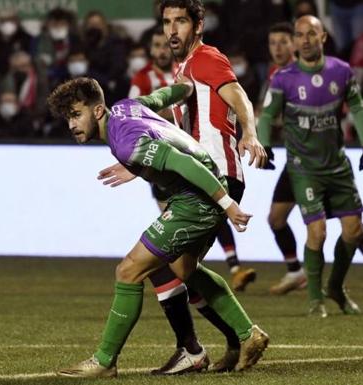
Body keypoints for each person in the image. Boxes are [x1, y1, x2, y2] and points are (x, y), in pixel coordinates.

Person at [48, 77, 269, 378]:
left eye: (76, 114)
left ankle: (104, 361)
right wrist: (186, 89)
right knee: (184, 269)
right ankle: (247, 334)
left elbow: (181, 163)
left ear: (98, 111)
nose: (71, 124)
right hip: (194, 192)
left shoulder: (125, 142)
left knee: (128, 270)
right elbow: (163, 96)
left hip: (198, 197)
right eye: (68, 118)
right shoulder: (127, 107)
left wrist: (227, 204)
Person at [96, 0, 268, 373]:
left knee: (139, 267)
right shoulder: (184, 69)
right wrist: (136, 165)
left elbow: (239, 96)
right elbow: (175, 138)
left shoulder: (206, 58)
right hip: (202, 176)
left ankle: (196, 348)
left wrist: (250, 134)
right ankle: (242, 337)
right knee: (183, 268)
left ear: (199, 24)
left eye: (180, 22)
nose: (172, 30)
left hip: (215, 175)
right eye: (167, 22)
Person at [258, 15, 363, 317]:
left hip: (338, 165)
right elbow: (267, 115)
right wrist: (264, 145)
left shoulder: (341, 72)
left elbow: (356, 106)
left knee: (354, 232)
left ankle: (336, 288)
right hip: (304, 168)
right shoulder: (283, 77)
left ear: (323, 38)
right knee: (316, 233)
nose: (304, 40)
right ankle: (315, 299)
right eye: (299, 35)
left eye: (310, 34)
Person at [258, 22, 308, 295]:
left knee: (348, 226)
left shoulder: (307, 71)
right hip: (294, 159)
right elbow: (268, 113)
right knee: (276, 219)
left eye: (282, 42)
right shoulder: (275, 75)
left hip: (318, 159)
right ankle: (295, 271)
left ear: (294, 44)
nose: (277, 48)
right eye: (272, 43)